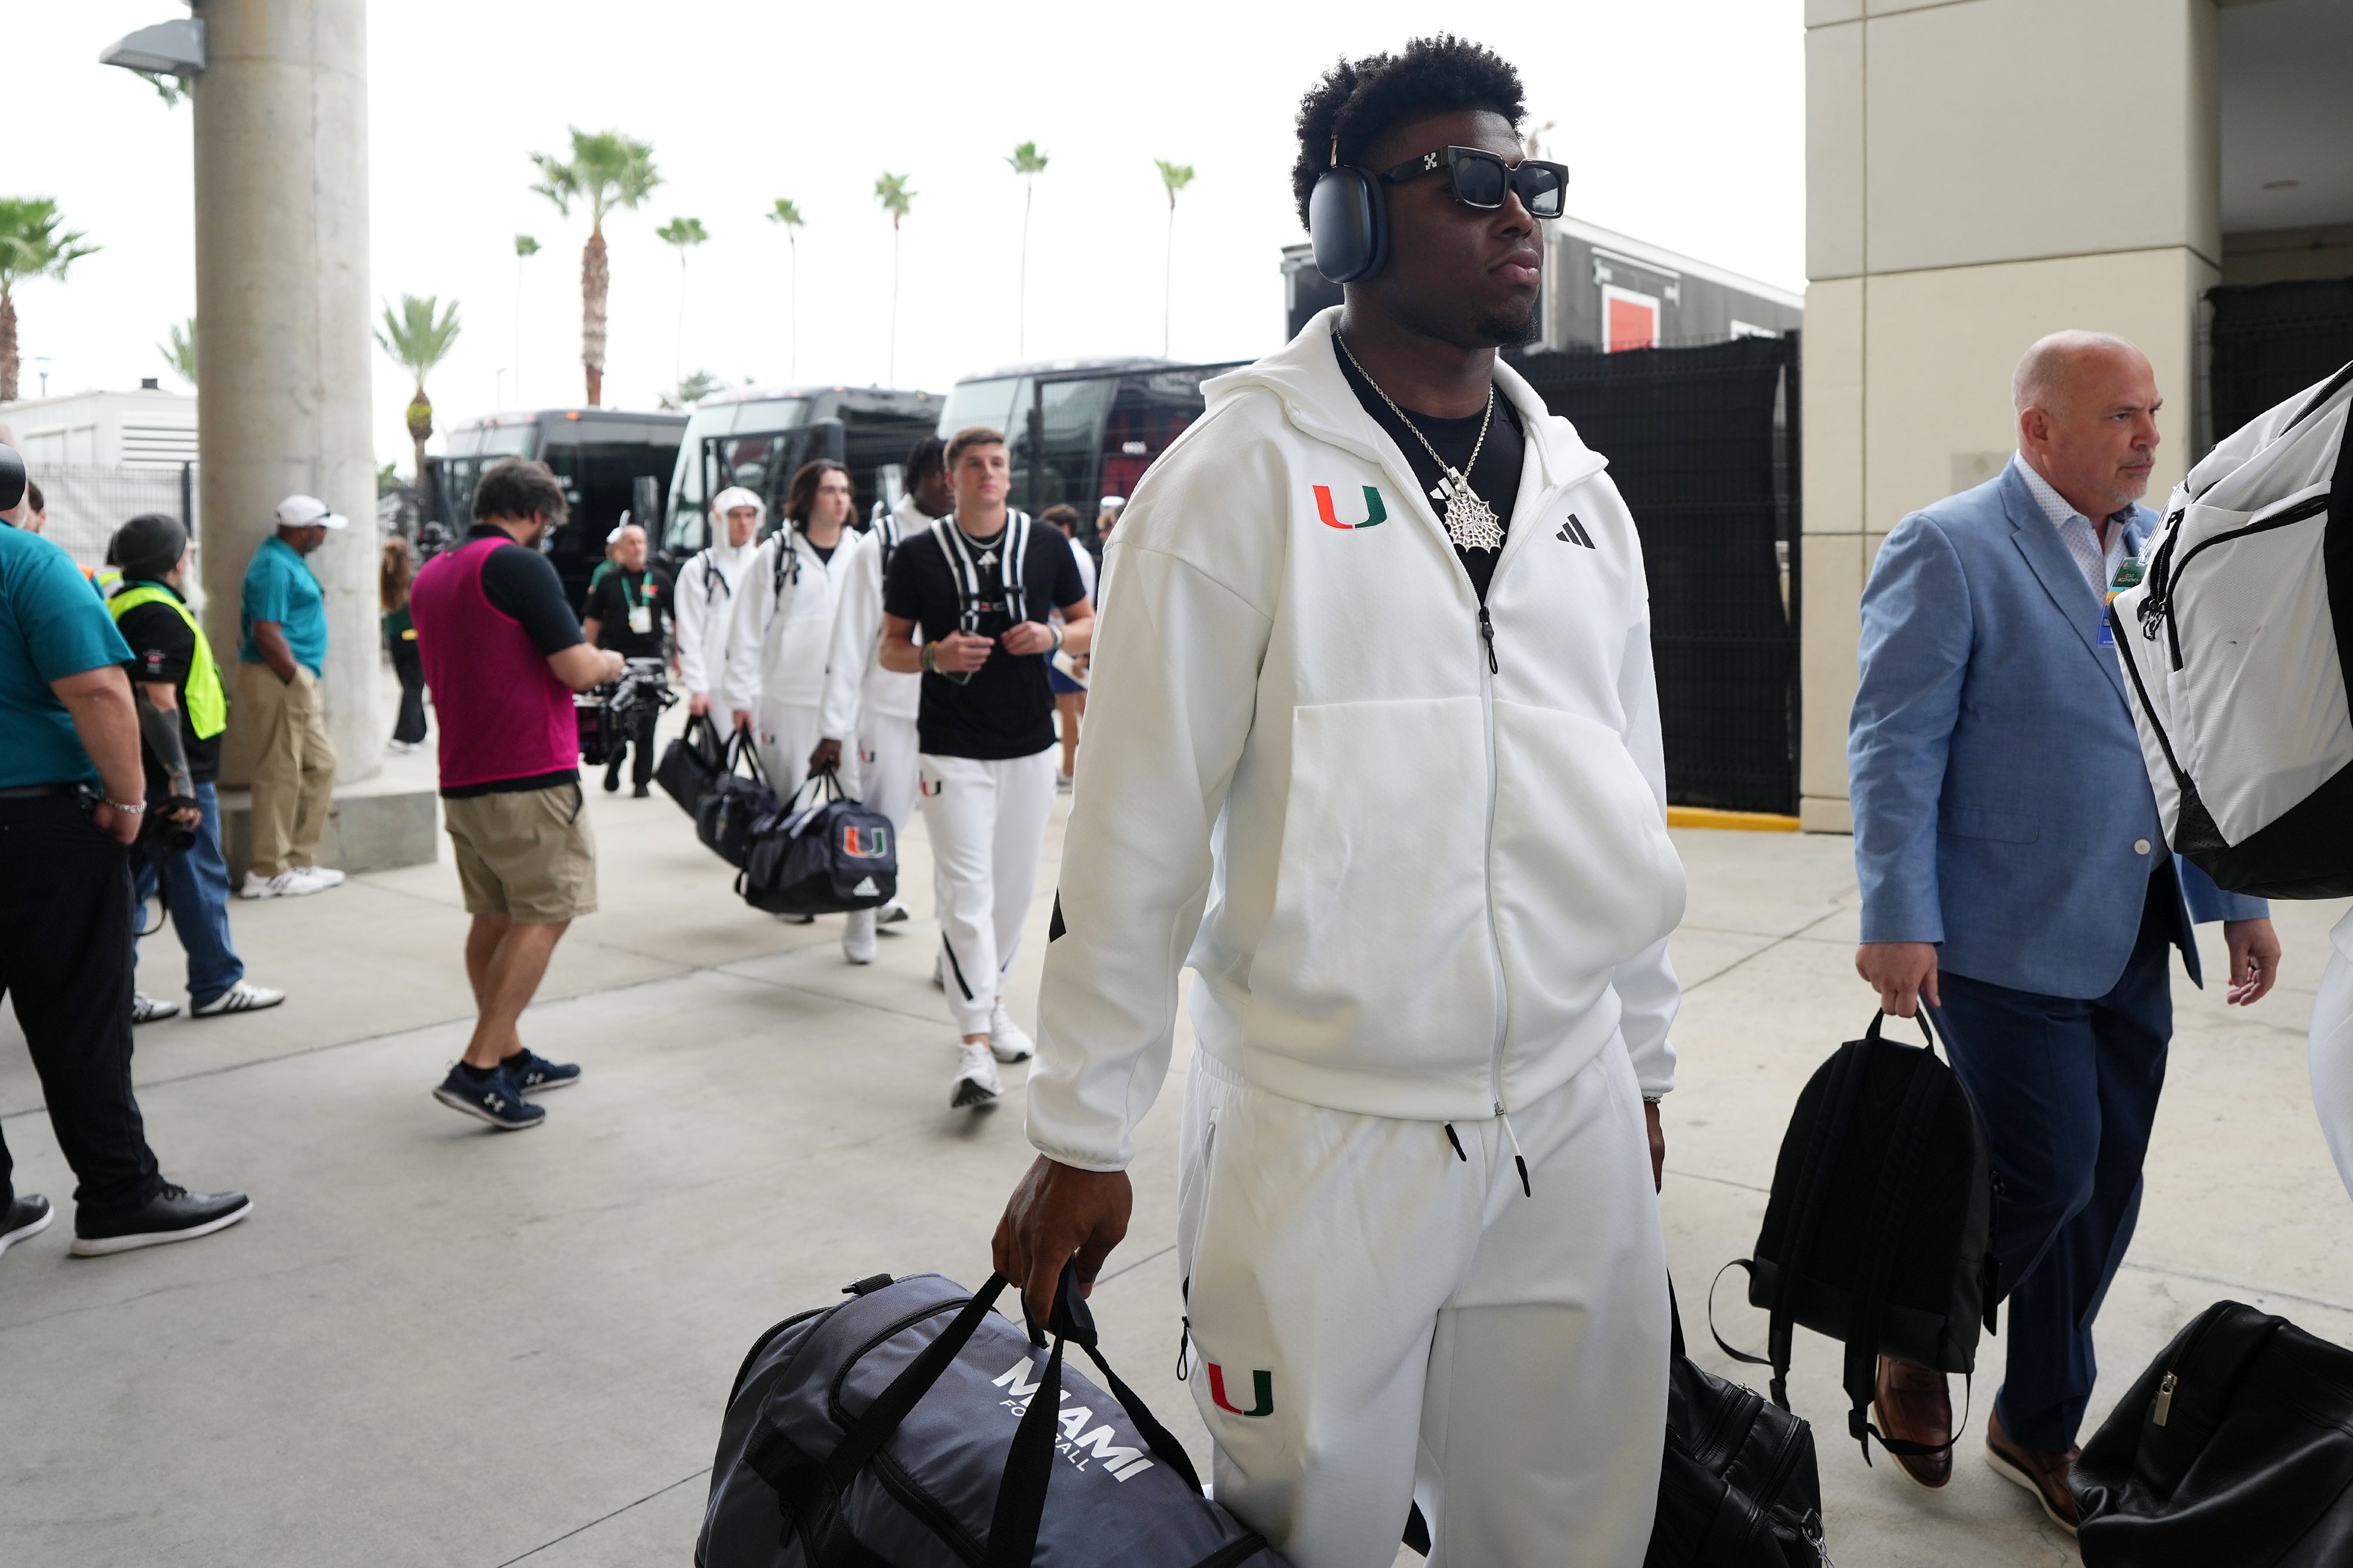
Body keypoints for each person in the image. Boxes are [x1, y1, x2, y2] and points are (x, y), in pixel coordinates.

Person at [994, 40, 1680, 1567]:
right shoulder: (1237, 471)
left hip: (1567, 1114)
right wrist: (1083, 1124)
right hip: (1323, 1131)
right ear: (1349, 224)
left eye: (1534, 186)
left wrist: (1638, 1056)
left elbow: (1623, 801)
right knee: (1308, 1525)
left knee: (1574, 1523)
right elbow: (1137, 832)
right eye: (1472, 183)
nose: (1521, 217)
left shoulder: (1583, 493)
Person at [1848, 329, 2280, 1528]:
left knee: (2105, 1186)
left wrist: (2233, 899)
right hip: (1991, 931)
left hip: (2131, 921)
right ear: (2037, 429)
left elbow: (2196, 738)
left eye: (2150, 413)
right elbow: (1891, 743)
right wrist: (1893, 913)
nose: (2149, 436)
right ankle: (1910, 1337)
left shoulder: (2156, 553)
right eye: (2119, 418)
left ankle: (2035, 1419)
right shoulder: (1947, 547)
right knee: (2044, 1170)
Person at [0, 443, 252, 1260]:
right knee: (81, 1016)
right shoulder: (29, 563)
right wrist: (130, 801)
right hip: (34, 828)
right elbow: (103, 688)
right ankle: (119, 1195)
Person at [881, 425, 1092, 1108]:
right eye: (973, 464)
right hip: (949, 745)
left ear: (1009, 474)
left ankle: (991, 1003)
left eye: (997, 463)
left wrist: (1053, 635)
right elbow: (889, 648)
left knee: (1012, 889)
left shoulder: (1047, 544)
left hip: (1029, 745)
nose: (987, 473)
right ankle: (974, 1045)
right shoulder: (916, 553)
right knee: (965, 888)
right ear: (952, 477)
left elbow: (1091, 622)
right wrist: (935, 655)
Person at [408, 457, 621, 1131]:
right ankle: (478, 1068)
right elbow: (577, 667)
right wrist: (611, 660)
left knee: (495, 916)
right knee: (550, 908)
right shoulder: (517, 565)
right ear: (536, 514)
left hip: (465, 773)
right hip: (527, 772)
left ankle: (508, 1050)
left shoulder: (434, 571)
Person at [105, 513, 285, 1024]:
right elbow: (156, 699)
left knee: (134, 887)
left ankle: (116, 995)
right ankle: (217, 983)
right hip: (171, 779)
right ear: (175, 561)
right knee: (198, 880)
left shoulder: (123, 602)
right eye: (186, 552)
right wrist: (182, 786)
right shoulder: (157, 613)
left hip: (145, 774)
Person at [815, 438, 949, 962]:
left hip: (956, 716)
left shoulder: (968, 537)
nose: (948, 483)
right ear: (915, 479)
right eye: (938, 473)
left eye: (952, 473)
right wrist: (834, 726)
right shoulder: (883, 544)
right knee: (878, 824)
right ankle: (861, 920)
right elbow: (849, 645)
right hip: (890, 712)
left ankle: (954, 954)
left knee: (955, 842)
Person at [724, 460, 854, 843]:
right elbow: (746, 630)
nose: (839, 499)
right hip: (788, 700)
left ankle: (866, 899)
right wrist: (739, 697)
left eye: (844, 491)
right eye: (829, 490)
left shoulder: (861, 551)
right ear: (807, 497)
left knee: (858, 801)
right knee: (789, 802)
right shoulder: (776, 555)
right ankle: (788, 893)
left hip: (848, 701)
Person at [236, 493, 344, 898]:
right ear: (303, 529)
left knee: (321, 766)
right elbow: (266, 631)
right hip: (279, 678)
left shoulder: (285, 560)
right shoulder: (273, 565)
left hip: (289, 678)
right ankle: (266, 871)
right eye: (321, 527)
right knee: (280, 772)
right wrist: (296, 679)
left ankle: (298, 861)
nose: (324, 535)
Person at [578, 521, 674, 797]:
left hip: (652, 662)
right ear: (619, 549)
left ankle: (641, 781)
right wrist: (589, 655)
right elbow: (592, 623)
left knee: (648, 723)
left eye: (642, 543)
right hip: (618, 662)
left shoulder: (659, 579)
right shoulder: (607, 581)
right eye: (631, 543)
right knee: (619, 721)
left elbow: (679, 619)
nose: (638, 548)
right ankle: (614, 765)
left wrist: (681, 654)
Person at [674, 485, 763, 724]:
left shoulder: (766, 564)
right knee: (717, 760)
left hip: (761, 684)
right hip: (716, 684)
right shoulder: (699, 569)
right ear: (719, 519)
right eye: (735, 516)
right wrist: (698, 687)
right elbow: (689, 634)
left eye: (750, 515)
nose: (744, 523)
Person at [1038, 504, 1095, 790]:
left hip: (1068, 638)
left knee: (1068, 706)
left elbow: (1079, 607)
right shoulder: (1080, 554)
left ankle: (1069, 769)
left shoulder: (1071, 556)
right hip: (1070, 636)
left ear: (1064, 529)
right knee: (1083, 706)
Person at [383, 536, 426, 753]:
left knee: (410, 685)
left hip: (394, 637)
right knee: (414, 686)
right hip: (414, 637)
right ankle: (404, 736)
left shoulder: (386, 580)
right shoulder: (413, 580)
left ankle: (419, 731)